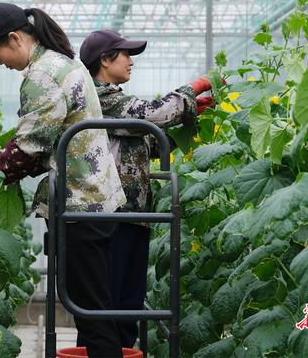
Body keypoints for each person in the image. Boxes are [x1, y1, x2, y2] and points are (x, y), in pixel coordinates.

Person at [0, 3, 126, 358]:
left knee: (92, 313)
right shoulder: (64, 63)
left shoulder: (43, 75)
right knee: (93, 309)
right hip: (97, 200)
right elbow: (50, 140)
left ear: (14, 39)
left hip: (80, 204)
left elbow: (28, 147)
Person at [79, 29, 215, 348]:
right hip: (109, 218)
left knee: (127, 305)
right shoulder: (97, 95)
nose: (131, 62)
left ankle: (123, 352)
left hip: (132, 215)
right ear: (104, 60)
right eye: (126, 55)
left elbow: (148, 145)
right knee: (107, 307)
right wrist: (192, 91)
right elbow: (153, 114)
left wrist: (191, 117)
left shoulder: (113, 99)